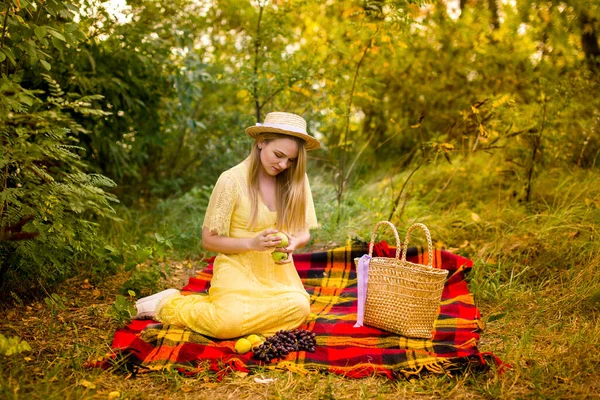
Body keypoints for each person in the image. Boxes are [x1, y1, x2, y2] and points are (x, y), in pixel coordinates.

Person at [134, 112, 320, 339]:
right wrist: (251, 243)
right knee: (225, 324)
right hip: (236, 268)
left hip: (276, 273)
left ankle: (238, 318)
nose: (283, 165)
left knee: (301, 307)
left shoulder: (296, 179)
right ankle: (168, 304)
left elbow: (303, 232)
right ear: (261, 142)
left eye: (291, 160)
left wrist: (293, 242)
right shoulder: (231, 180)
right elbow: (208, 239)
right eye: (279, 155)